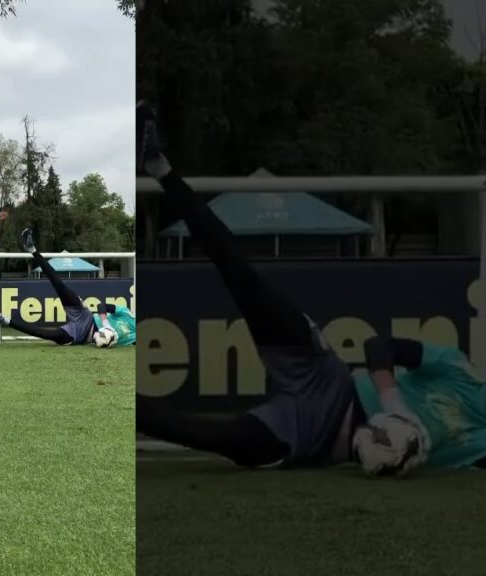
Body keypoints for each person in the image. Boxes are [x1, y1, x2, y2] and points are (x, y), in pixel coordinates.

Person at [137, 103, 486, 470]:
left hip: (312, 438)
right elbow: (377, 346)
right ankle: (160, 167)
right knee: (241, 274)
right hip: (324, 377)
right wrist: (395, 408)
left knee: (200, 434)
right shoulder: (457, 369)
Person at [0, 228, 136, 348]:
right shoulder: (126, 313)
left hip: (80, 335)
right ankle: (32, 249)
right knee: (58, 284)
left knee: (44, 334)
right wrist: (106, 325)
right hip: (85, 316)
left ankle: (5, 320)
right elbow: (101, 306)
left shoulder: (135, 338)